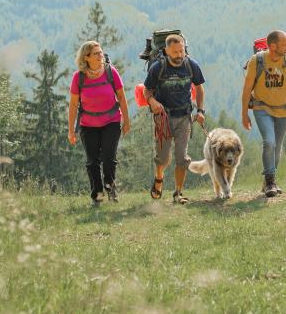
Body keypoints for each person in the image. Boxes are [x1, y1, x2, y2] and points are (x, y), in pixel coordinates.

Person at [240, 29, 286, 197]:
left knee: (277, 146)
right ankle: (270, 182)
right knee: (269, 142)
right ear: (273, 46)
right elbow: (247, 88)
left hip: (283, 108)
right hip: (262, 107)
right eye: (284, 44)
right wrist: (244, 113)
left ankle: (269, 179)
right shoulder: (257, 61)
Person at [144, 34, 205, 203]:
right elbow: (147, 91)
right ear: (166, 51)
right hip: (163, 118)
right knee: (163, 157)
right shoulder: (157, 68)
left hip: (184, 116)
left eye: (182, 51)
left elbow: (199, 89)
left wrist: (200, 111)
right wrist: (153, 102)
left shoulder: (192, 65)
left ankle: (178, 193)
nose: (179, 55)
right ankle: (159, 178)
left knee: (181, 157)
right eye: (175, 52)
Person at [68, 40, 130, 204]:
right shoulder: (78, 77)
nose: (100, 55)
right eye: (96, 53)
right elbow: (74, 104)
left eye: (101, 52)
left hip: (111, 121)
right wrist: (71, 130)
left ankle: (110, 189)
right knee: (92, 161)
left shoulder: (111, 72)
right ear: (86, 57)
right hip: (88, 125)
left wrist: (126, 121)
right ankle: (97, 195)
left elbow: (122, 97)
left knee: (109, 159)